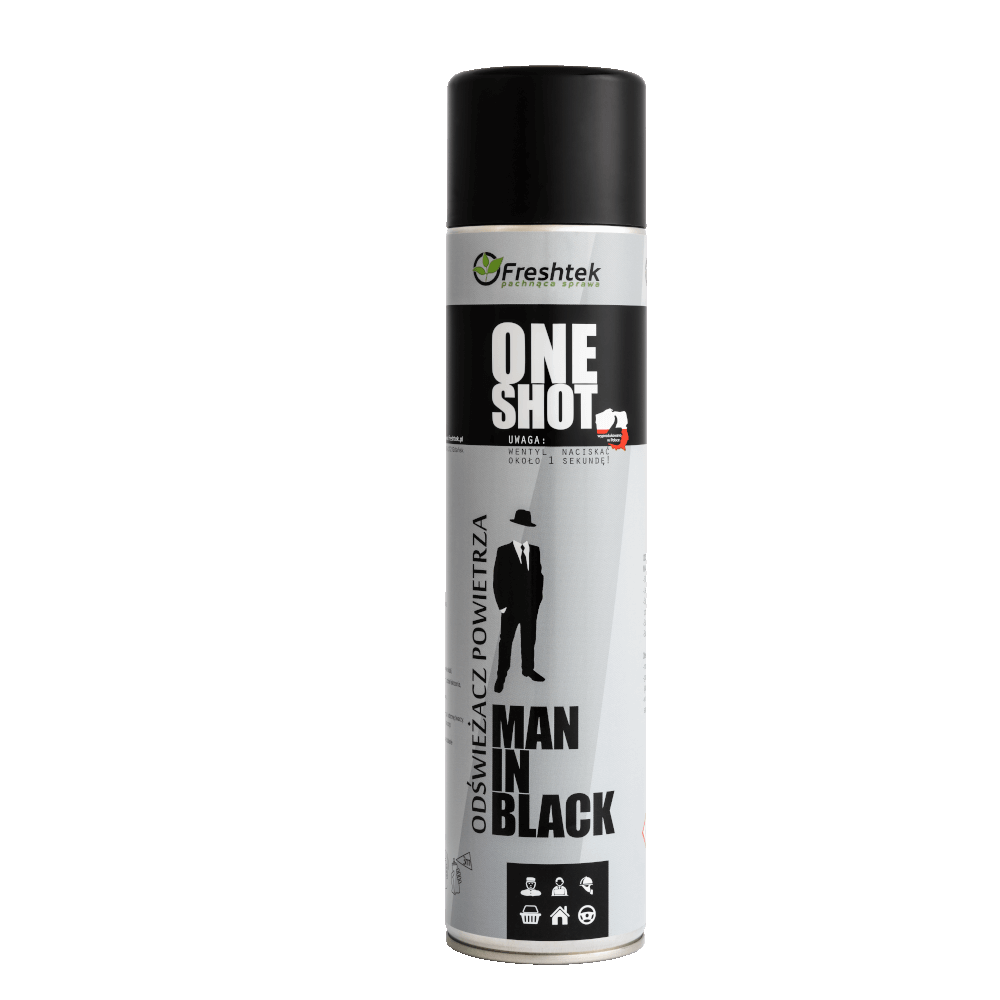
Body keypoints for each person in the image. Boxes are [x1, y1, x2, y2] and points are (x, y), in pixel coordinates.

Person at [493, 509, 545, 693]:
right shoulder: (503, 551)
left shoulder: (535, 551)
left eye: (527, 526)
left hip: (530, 607)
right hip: (510, 608)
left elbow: (539, 578)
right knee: (506, 642)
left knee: (529, 640)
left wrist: (536, 602)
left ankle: (528, 670)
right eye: (520, 526)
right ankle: (501, 676)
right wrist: (502, 606)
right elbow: (498, 579)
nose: (523, 529)